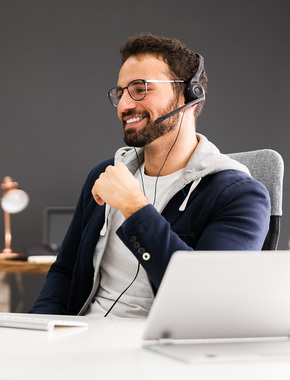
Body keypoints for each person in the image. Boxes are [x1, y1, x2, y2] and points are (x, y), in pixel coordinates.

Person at [29, 34, 270, 317]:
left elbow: (207, 300)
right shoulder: (107, 175)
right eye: (120, 93)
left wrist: (135, 207)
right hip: (80, 340)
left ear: (189, 95)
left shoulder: (239, 195)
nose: (123, 106)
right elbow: (64, 271)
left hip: (158, 351)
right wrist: (40, 329)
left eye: (140, 89)